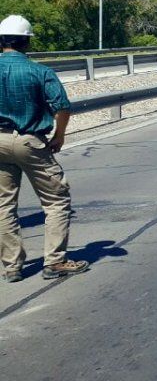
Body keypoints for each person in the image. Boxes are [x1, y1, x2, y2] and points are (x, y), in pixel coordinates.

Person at [0, 15, 89, 282]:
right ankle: (55, 261)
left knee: (3, 205)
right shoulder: (39, 71)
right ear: (27, 42)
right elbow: (62, 106)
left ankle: (11, 267)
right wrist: (59, 136)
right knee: (56, 200)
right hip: (30, 141)